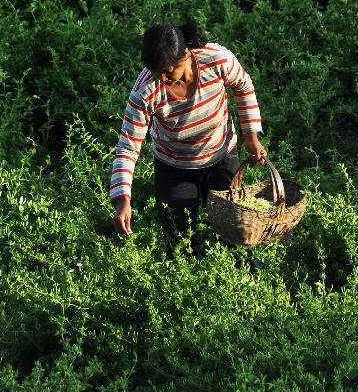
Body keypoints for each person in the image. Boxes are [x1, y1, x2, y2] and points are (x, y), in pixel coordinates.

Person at [110, 19, 267, 269]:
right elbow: (128, 146)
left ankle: (244, 277)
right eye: (155, 72)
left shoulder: (215, 59)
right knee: (179, 237)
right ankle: (187, 284)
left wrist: (251, 137)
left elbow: (243, 86)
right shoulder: (144, 92)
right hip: (174, 167)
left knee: (233, 229)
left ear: (185, 55)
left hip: (221, 155)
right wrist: (123, 199)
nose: (161, 78)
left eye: (167, 71)